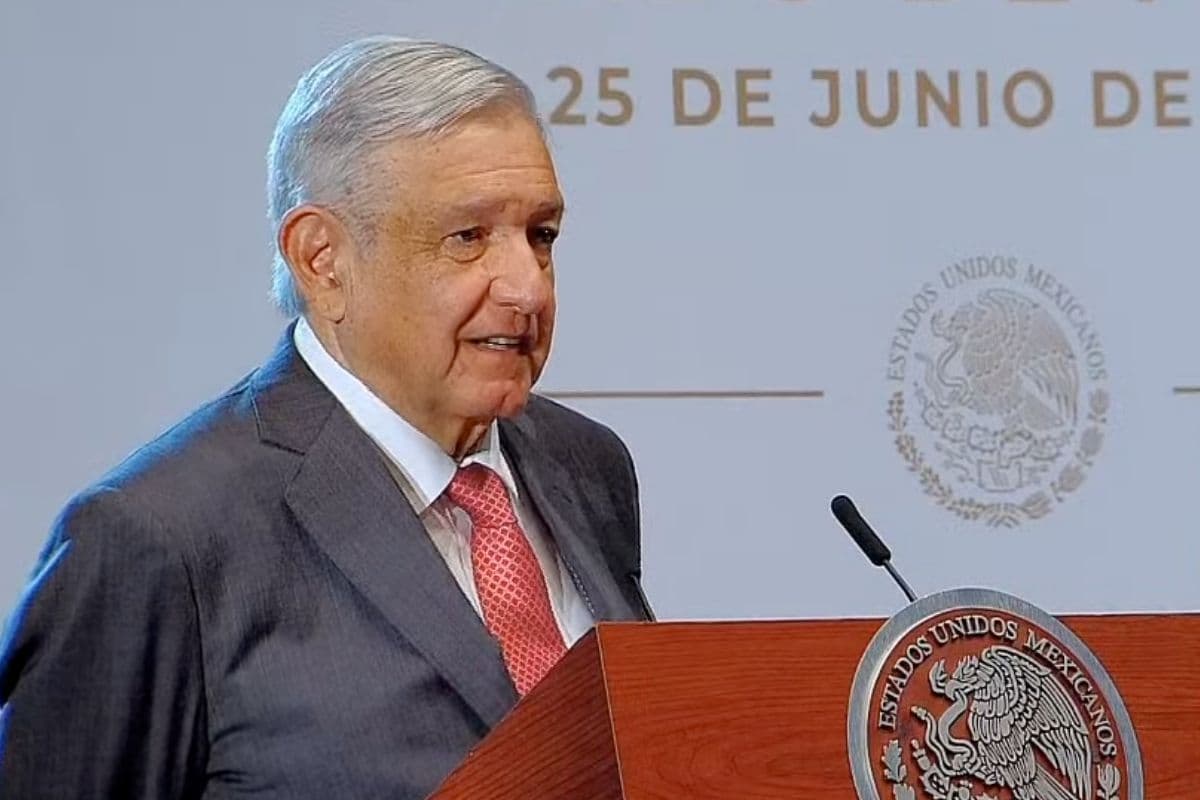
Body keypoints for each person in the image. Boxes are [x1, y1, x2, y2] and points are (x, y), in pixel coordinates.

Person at [0, 36, 649, 799]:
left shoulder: (586, 464)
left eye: (540, 236)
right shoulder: (156, 538)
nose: (528, 289)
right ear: (321, 260)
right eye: (468, 237)